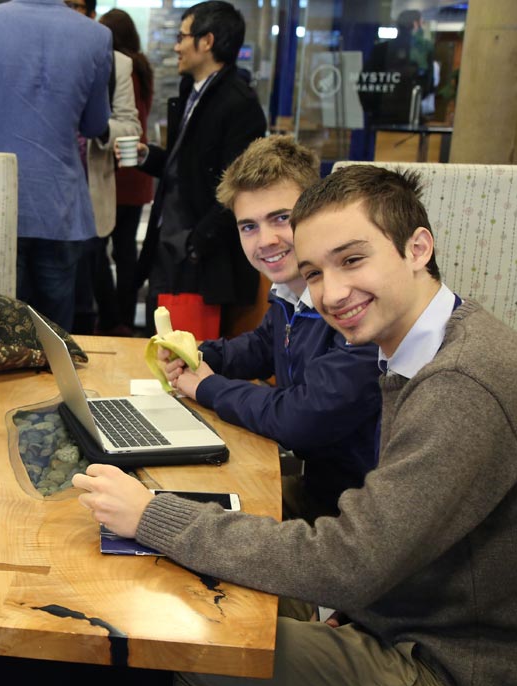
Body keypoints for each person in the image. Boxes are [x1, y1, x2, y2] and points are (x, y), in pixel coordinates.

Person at [74, 164, 517, 686]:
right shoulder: (429, 344)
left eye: (352, 260)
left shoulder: (463, 385)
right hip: (421, 623)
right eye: (314, 272)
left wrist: (154, 514)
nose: (331, 292)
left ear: (417, 248)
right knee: (203, 582)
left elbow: (349, 563)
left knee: (185, 641)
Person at [158, 136, 381, 519]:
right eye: (248, 226)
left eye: (281, 218)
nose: (266, 241)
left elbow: (302, 417)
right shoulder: (290, 294)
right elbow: (261, 347)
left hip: (354, 512)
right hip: (316, 487)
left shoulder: (354, 306)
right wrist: (196, 354)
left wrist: (208, 386)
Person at [0, 0, 112, 332]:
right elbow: (95, 125)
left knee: (1, 330)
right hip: (61, 205)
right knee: (55, 335)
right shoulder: (96, 35)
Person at [135, 1, 266, 340]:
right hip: (169, 243)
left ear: (206, 41)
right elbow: (187, 166)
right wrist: (149, 157)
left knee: (186, 353)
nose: (176, 47)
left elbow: (238, 186)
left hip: (197, 258)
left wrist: (195, 245)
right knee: (158, 344)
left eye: (182, 37)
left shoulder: (239, 103)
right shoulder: (190, 92)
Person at [69, 0, 141, 335]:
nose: (71, 12)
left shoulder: (116, 64)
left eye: (77, 5)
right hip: (43, 198)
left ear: (91, 14)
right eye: (65, 4)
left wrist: (98, 126)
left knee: (86, 293)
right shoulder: (33, 51)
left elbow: (131, 126)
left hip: (92, 196)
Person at [100, 8, 154, 333]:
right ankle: (124, 316)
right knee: (125, 251)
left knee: (104, 251)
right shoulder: (142, 67)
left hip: (120, 170)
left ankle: (115, 318)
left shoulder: (120, 69)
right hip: (138, 171)